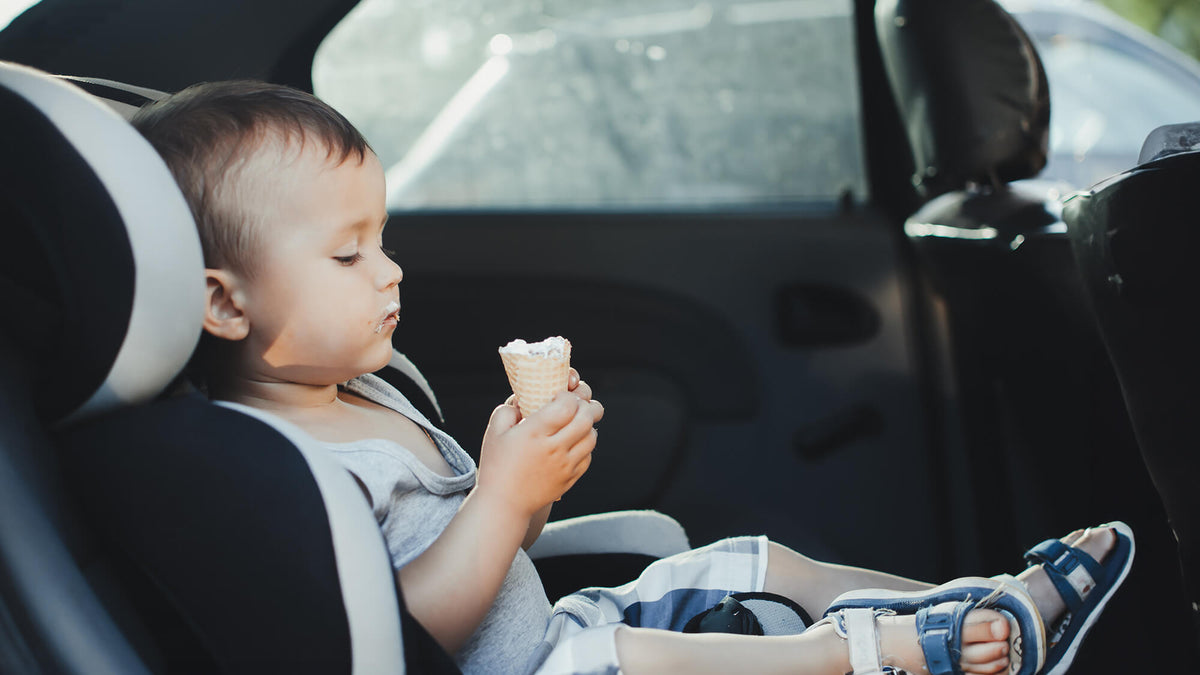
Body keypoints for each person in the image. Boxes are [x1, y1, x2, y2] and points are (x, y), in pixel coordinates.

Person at [130, 80, 1130, 675]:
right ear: (224, 304)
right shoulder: (275, 464)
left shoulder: (371, 393)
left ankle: (979, 595)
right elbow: (407, 633)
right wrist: (502, 502)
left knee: (748, 562)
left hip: (551, 638)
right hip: (537, 669)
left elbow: (497, 551)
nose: (390, 269)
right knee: (622, 656)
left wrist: (523, 494)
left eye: (382, 238)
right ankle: (906, 653)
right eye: (347, 255)